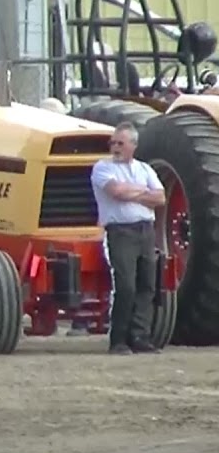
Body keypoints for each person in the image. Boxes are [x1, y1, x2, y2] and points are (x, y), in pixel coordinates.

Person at [90, 122, 166, 354]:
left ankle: (140, 336)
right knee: (125, 286)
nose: (115, 147)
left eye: (120, 143)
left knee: (147, 285)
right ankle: (119, 340)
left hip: (145, 230)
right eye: (113, 142)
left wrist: (134, 192)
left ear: (133, 145)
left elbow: (161, 197)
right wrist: (144, 193)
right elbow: (117, 193)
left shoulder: (144, 169)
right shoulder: (103, 168)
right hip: (121, 232)